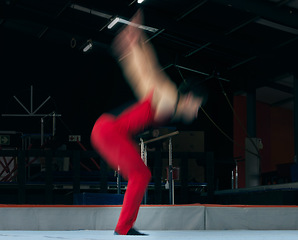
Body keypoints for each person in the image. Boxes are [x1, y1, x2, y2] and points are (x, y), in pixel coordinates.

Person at [90, 11, 207, 235]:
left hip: (111, 130)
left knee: (141, 174)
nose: (196, 112)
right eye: (198, 106)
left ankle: (125, 226)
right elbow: (150, 73)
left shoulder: (166, 100)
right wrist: (138, 44)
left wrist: (137, 45)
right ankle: (123, 228)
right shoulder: (169, 97)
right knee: (141, 174)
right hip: (108, 131)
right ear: (190, 98)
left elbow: (143, 75)